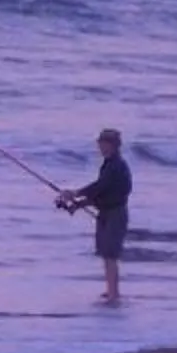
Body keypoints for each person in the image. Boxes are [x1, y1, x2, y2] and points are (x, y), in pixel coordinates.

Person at [58, 128, 132, 305]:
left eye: (105, 144)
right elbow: (101, 194)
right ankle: (110, 291)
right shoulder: (108, 164)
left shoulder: (117, 166)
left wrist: (75, 193)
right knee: (105, 253)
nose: (101, 147)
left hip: (115, 214)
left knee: (111, 254)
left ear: (114, 146)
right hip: (106, 213)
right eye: (100, 143)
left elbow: (101, 187)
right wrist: (78, 204)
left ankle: (114, 294)